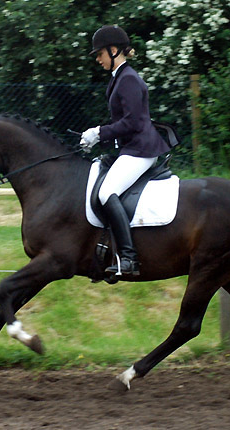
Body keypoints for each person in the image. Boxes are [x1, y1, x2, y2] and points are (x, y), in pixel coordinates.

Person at [80, 24, 171, 277]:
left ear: (114, 50)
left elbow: (132, 122)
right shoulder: (119, 78)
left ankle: (129, 258)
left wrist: (99, 133)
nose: (98, 59)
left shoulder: (128, 79)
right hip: (130, 148)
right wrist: (98, 138)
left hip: (141, 149)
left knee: (107, 192)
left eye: (99, 54)